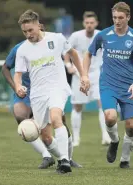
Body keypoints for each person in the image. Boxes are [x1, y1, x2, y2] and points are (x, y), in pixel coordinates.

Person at [14, 10, 83, 173]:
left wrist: (84, 75)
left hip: (57, 87)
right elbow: (17, 75)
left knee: (56, 117)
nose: (28, 34)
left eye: (30, 30)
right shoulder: (22, 50)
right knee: (45, 136)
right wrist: (18, 86)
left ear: (38, 25)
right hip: (37, 94)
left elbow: (73, 53)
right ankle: (62, 159)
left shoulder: (56, 38)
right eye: (24, 31)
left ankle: (65, 161)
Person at [81, 2, 133, 168]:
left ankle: (125, 160)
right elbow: (88, 54)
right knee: (110, 117)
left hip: (128, 87)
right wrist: (85, 75)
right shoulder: (104, 35)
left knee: (131, 126)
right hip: (108, 84)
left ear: (128, 17)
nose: (117, 21)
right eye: (115, 17)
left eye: (121, 18)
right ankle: (114, 141)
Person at [1, 34, 82, 169]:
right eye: (26, 31)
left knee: (59, 121)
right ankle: (47, 155)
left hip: (50, 90)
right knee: (21, 117)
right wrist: (16, 87)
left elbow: (69, 55)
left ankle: (68, 158)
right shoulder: (20, 48)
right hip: (26, 92)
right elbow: (5, 68)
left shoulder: (53, 41)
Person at [64, 11, 111, 146]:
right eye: (87, 23)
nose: (89, 25)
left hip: (97, 75)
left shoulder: (101, 35)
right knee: (77, 106)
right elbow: (67, 52)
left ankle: (106, 136)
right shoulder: (75, 36)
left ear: (96, 23)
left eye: (92, 23)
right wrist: (68, 65)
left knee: (103, 104)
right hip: (80, 74)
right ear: (84, 23)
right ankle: (76, 139)